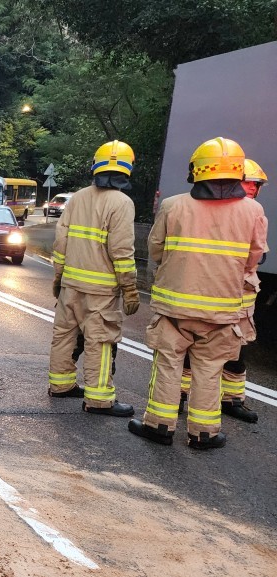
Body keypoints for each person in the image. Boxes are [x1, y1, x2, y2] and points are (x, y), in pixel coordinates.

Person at [129, 138, 268, 449]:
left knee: (168, 365)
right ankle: (204, 434)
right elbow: (253, 260)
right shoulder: (254, 210)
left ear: (196, 170)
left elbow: (156, 249)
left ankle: (159, 426)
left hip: (174, 307)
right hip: (221, 311)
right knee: (209, 370)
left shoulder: (173, 205)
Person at [48, 140, 139, 417]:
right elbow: (122, 252)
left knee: (64, 336)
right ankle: (99, 400)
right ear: (127, 170)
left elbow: (61, 241)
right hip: (100, 290)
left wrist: (59, 278)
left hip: (70, 286)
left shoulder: (78, 197)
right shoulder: (122, 203)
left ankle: (61, 385)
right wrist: (130, 289)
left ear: (95, 166)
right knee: (100, 341)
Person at [177, 158, 267, 423]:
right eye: (247, 182)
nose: (251, 188)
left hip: (242, 299)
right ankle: (181, 396)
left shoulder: (255, 211)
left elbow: (257, 256)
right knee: (196, 349)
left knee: (237, 351)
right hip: (218, 295)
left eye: (255, 184)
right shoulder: (225, 211)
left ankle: (232, 399)